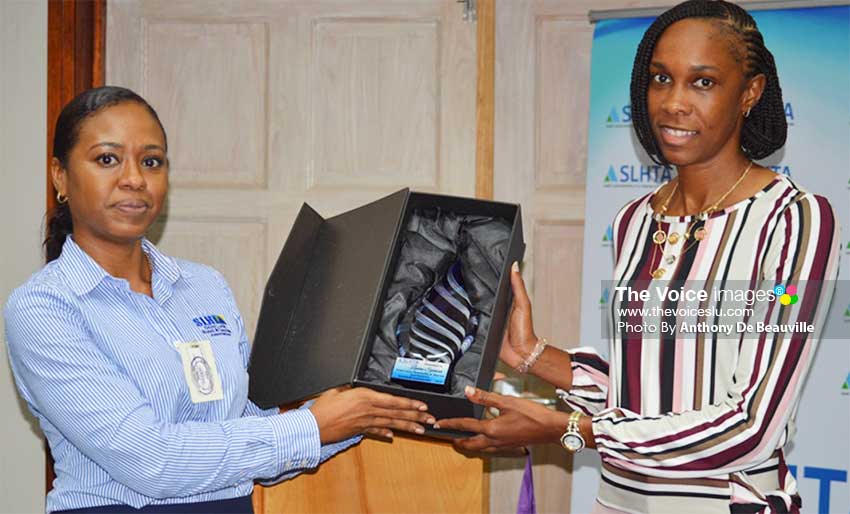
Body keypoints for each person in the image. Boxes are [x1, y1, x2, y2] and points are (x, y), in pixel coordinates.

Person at [434, 1, 841, 513]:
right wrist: (534, 355)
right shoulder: (636, 219)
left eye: (703, 82)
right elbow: (642, 388)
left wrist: (568, 430)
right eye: (660, 78)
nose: (673, 103)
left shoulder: (793, 218)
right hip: (619, 501)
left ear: (750, 93)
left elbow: (752, 426)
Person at [3, 86, 435, 514]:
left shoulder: (204, 286)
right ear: (60, 175)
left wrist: (356, 412)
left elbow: (248, 437)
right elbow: (149, 460)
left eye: (151, 161)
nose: (134, 178)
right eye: (107, 159)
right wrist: (313, 426)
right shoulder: (45, 308)